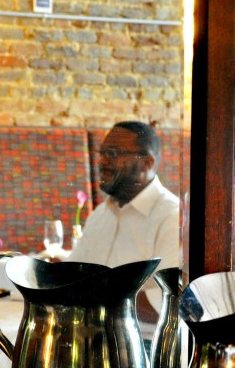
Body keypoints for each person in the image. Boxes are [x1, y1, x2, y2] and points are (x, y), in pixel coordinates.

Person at [67, 121, 181, 335]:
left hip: (144, 351)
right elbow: (72, 277)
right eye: (102, 153)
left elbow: (168, 303)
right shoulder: (101, 214)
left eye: (114, 153)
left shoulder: (172, 217)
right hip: (89, 341)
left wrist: (95, 295)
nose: (102, 162)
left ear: (147, 163)